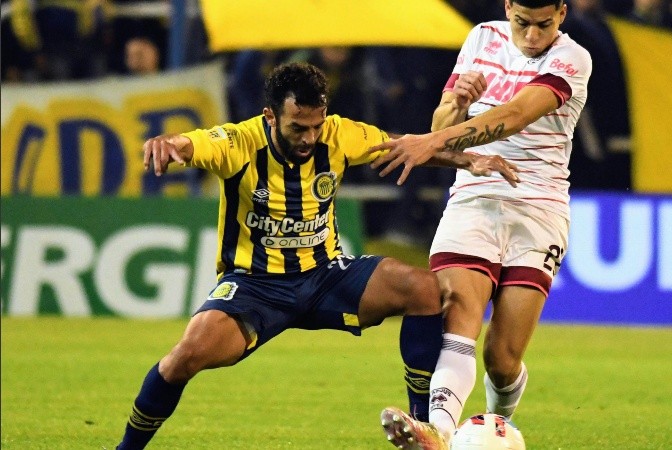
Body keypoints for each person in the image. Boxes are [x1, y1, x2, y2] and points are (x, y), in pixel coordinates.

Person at [114, 61, 519, 449]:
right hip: (255, 287)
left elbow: (402, 149)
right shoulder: (239, 142)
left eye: (315, 125)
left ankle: (425, 432)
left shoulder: (339, 135)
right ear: (270, 117)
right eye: (297, 127)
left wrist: (468, 159)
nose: (309, 137)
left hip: (326, 277)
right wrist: (171, 144)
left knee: (423, 288)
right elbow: (193, 144)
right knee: (181, 361)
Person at [373, 1, 592, 448]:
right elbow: (444, 118)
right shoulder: (481, 38)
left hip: (538, 208)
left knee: (502, 357)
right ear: (508, 7)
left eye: (543, 25)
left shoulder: (573, 58)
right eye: (522, 23)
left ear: (562, 15)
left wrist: (432, 140)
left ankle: (497, 424)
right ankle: (438, 431)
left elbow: (513, 117)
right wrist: (457, 103)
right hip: (474, 197)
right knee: (459, 318)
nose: (532, 36)